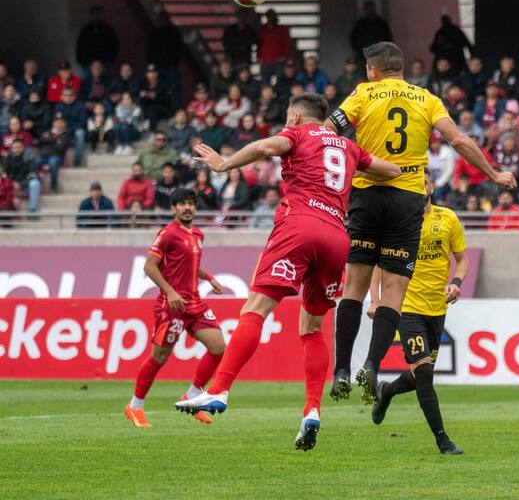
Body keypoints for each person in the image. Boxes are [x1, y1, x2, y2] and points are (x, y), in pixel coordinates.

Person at [176, 94, 401, 451]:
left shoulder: (296, 135)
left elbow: (266, 146)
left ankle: (218, 390)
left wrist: (224, 165)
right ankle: (312, 411)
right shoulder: (348, 147)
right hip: (336, 237)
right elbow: (392, 170)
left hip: (299, 226)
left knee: (255, 309)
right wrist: (361, 171)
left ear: (295, 117)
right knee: (312, 327)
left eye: (286, 116)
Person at [324, 42, 514, 404]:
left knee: (355, 287)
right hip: (407, 199)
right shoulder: (426, 99)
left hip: (367, 194)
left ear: (373, 70)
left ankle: (342, 369)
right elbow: (457, 139)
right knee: (394, 290)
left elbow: (328, 132)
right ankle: (372, 366)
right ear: (400, 68)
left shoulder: (362, 94)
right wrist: (493, 173)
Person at [369, 169, 467, 455]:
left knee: (420, 374)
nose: (420, 187)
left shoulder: (448, 218)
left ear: (431, 187)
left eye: (424, 183)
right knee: (424, 371)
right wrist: (375, 300)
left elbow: (462, 260)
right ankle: (443, 440)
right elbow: (378, 265)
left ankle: (387, 391)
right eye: (415, 183)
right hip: (406, 306)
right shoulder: (397, 221)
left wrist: (456, 283)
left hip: (437, 307)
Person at [124, 189, 226, 429]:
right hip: (171, 305)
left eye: (191, 203)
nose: (187, 207)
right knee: (159, 357)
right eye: (182, 204)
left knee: (218, 347)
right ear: (173, 208)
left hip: (194, 303)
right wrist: (170, 292)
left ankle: (193, 396)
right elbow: (150, 267)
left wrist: (208, 277)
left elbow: (190, 265)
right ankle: (135, 406)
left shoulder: (198, 234)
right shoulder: (168, 233)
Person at [146, 12, 184, 108]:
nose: (163, 20)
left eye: (165, 18)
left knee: (174, 89)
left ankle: (177, 110)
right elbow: (150, 50)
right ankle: (160, 108)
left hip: (171, 66)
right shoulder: (154, 33)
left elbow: (179, 49)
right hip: (157, 66)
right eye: (161, 18)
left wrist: (175, 62)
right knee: (158, 88)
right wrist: (152, 64)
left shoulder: (174, 32)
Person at [3, 139, 40, 213]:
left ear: (23, 148)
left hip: (26, 184)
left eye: (19, 147)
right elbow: (5, 174)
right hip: (12, 184)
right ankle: (5, 208)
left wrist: (20, 185)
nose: (17, 150)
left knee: (35, 183)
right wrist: (11, 183)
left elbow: (33, 175)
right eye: (14, 148)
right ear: (11, 149)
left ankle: (32, 211)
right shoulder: (8, 158)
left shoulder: (29, 157)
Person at [259, 9, 293, 85]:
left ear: (275, 17)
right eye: (269, 16)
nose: (270, 18)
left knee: (280, 82)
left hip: (279, 61)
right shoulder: (263, 29)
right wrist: (259, 56)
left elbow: (287, 44)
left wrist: (286, 57)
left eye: (272, 16)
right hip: (265, 60)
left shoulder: (282, 29)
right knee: (264, 83)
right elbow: (260, 44)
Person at [36, 117, 70, 192]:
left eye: (60, 122)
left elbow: (61, 147)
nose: (58, 124)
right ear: (53, 123)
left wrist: (49, 141)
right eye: (56, 122)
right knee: (35, 162)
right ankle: (38, 184)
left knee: (53, 162)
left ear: (64, 124)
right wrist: (55, 140)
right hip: (44, 156)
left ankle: (53, 186)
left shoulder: (65, 134)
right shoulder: (48, 132)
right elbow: (41, 141)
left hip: (57, 156)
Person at [139, 64, 172, 132]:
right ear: (146, 75)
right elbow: (143, 98)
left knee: (152, 108)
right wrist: (142, 95)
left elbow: (167, 100)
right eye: (149, 73)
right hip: (149, 110)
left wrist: (156, 97)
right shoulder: (145, 85)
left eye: (153, 73)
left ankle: (152, 130)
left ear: (157, 74)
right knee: (141, 105)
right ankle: (145, 122)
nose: (152, 75)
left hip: (163, 109)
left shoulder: (163, 84)